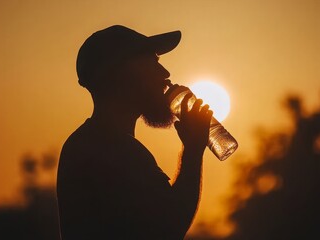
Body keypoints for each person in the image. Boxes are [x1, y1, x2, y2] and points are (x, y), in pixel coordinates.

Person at [57, 25, 213, 240]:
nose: (165, 74)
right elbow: (169, 226)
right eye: (153, 63)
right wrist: (193, 151)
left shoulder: (88, 143)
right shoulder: (111, 149)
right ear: (125, 74)